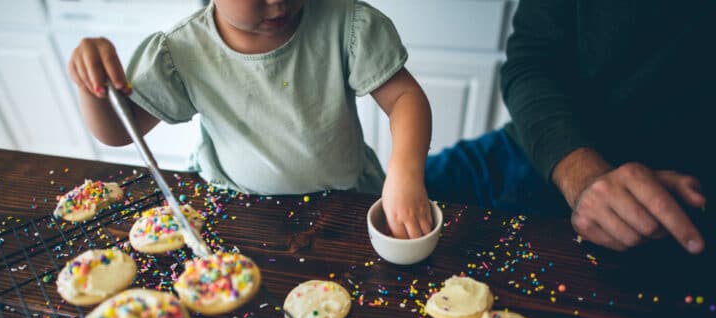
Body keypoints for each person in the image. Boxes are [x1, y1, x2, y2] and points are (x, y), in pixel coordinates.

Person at [68, 0, 433, 240]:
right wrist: (92, 86)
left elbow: (405, 98)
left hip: (346, 203)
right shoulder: (182, 51)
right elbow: (117, 132)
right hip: (234, 211)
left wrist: (405, 172)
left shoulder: (346, 24)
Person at [425, 0, 713, 254]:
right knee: (397, 191)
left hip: (675, 206)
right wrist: (583, 174)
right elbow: (530, 59)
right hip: (537, 146)